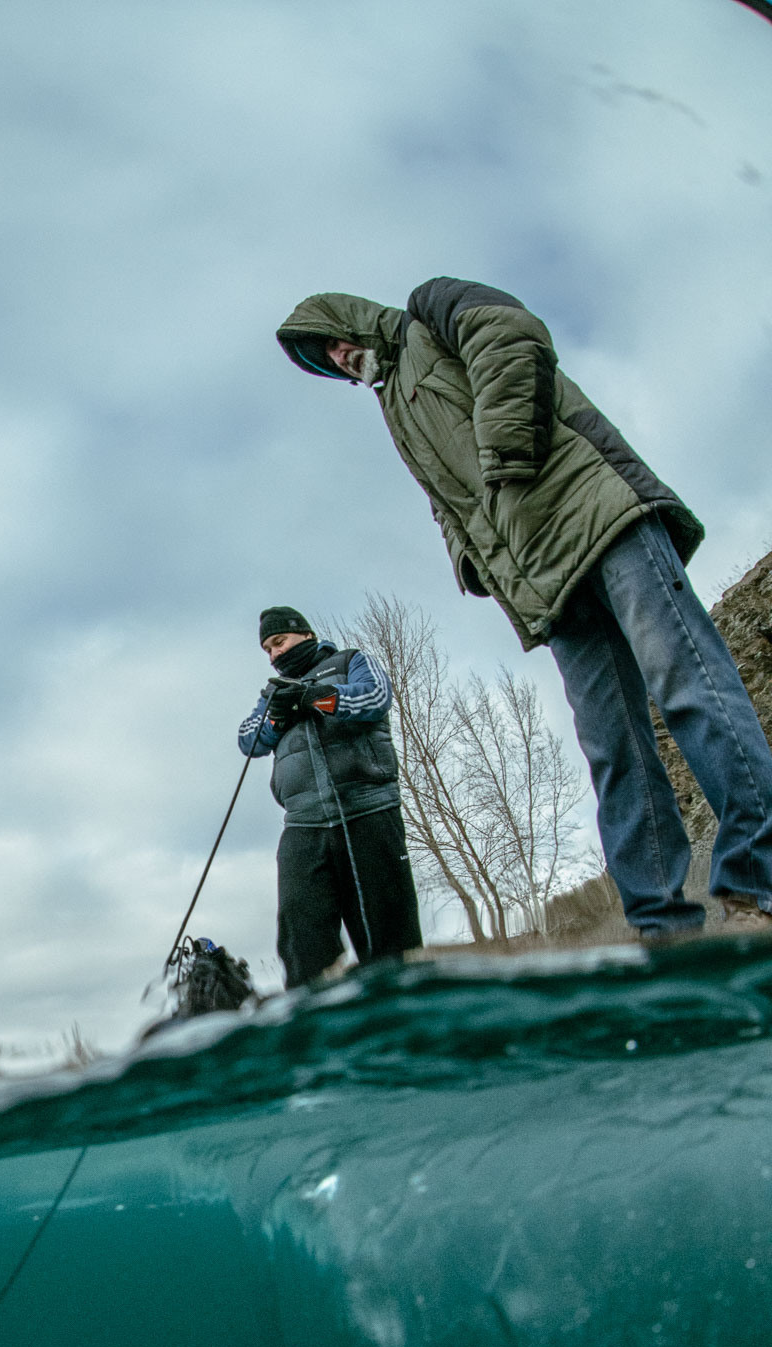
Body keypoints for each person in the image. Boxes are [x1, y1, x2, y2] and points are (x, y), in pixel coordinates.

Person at [275, 277, 772, 941]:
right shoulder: (393, 407)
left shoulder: (431, 310)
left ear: (354, 321)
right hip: (544, 580)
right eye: (324, 360)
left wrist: (506, 458)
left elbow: (510, 336)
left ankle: (758, 880)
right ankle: (662, 927)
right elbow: (447, 504)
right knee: (611, 747)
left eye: (335, 342)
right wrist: (474, 565)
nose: (339, 358)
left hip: (602, 518)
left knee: (687, 685)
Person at [239, 604, 422, 987]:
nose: (274, 655)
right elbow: (247, 740)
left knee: (388, 944)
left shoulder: (350, 660)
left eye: (279, 642)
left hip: (368, 810)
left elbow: (376, 696)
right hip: (304, 824)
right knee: (300, 939)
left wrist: (316, 698)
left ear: (305, 634)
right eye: (268, 650)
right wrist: (277, 715)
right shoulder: (271, 694)